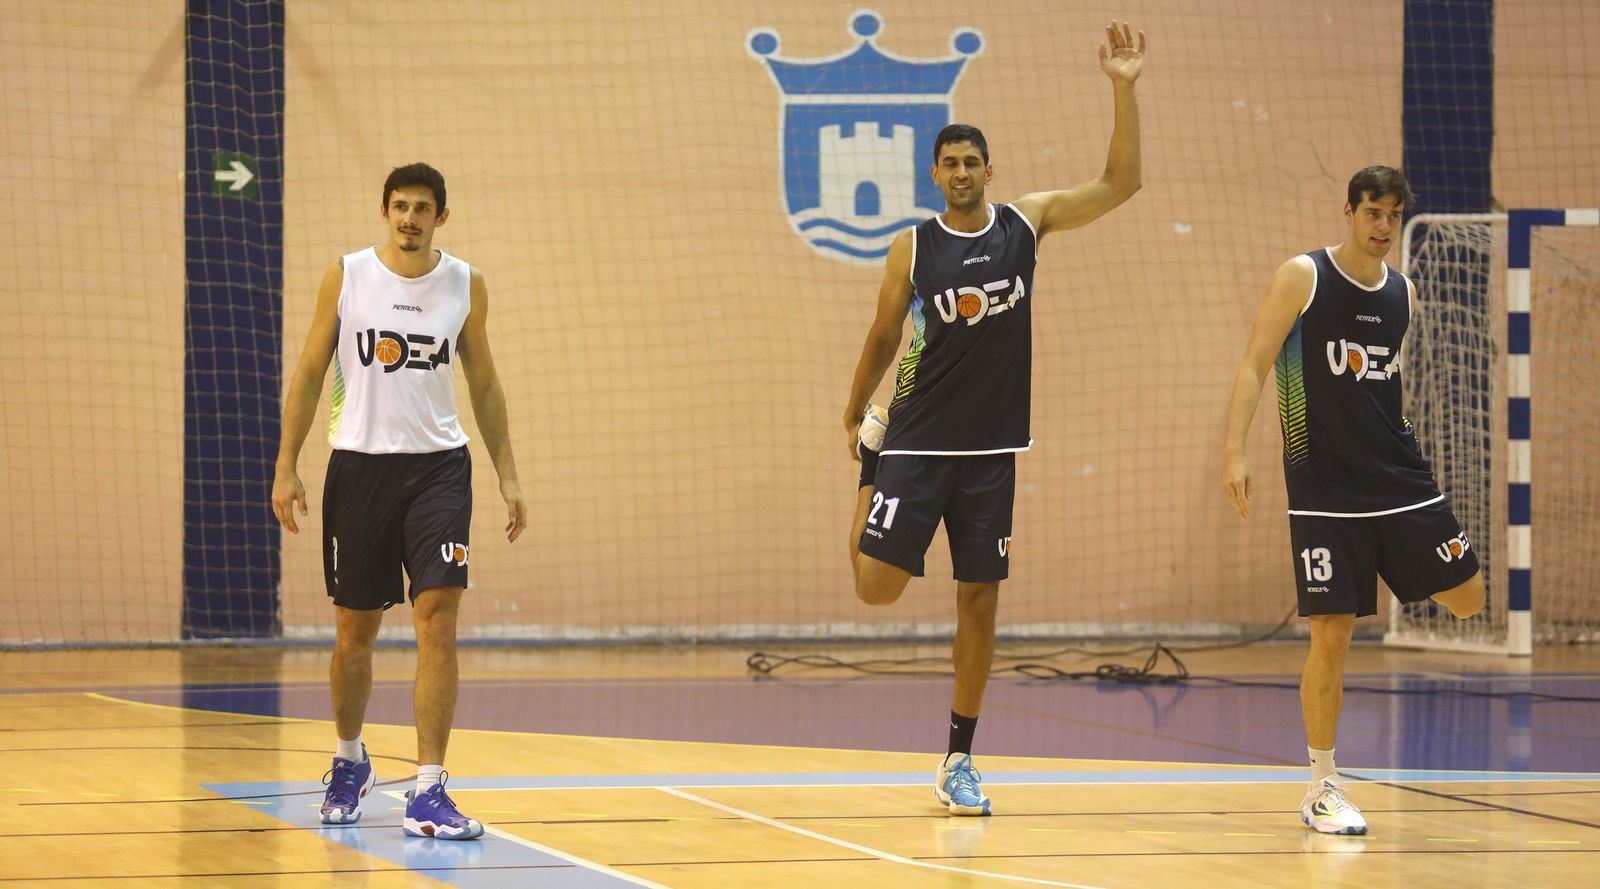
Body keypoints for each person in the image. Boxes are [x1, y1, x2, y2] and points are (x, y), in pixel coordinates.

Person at [842, 21, 1146, 816]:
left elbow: (1121, 183)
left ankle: (958, 757)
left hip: (991, 452)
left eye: (974, 160)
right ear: (935, 173)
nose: (963, 171)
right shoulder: (912, 246)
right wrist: (854, 413)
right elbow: (883, 335)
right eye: (951, 162)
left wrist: (1122, 87)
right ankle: (868, 472)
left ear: (989, 169)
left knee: (979, 600)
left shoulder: (1027, 223)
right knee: (875, 589)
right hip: (911, 441)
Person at [1220, 165, 1485, 835]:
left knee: (1469, 596)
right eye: (1372, 211)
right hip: (1323, 487)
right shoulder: (1303, 277)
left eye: (1394, 214)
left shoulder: (1405, 292)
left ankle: (1392, 561)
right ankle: (1322, 785)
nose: (1383, 225)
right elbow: (1256, 362)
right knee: (1332, 636)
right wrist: (1236, 450)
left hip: (1398, 479)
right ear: (1348, 211)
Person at [271, 162, 527, 840]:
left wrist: (507, 474)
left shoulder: (465, 283)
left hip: (440, 469)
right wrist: (286, 464)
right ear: (384, 211)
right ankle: (350, 758)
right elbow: (306, 373)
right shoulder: (347, 275)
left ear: (442, 215)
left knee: (437, 619)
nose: (409, 217)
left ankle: (429, 788)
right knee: (356, 633)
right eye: (399, 206)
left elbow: (487, 384)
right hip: (359, 469)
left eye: (422, 207)